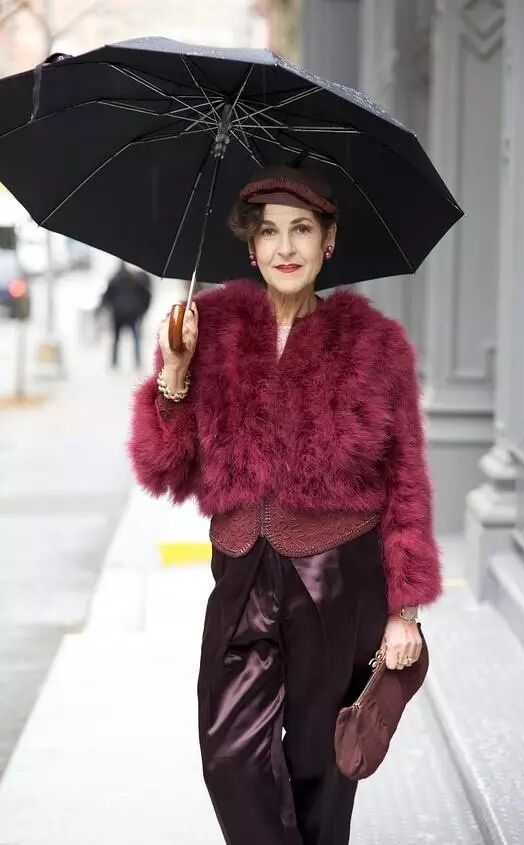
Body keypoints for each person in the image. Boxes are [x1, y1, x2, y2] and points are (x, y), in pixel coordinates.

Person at [127, 163, 443, 845]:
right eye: (269, 231)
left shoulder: (374, 344)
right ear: (250, 247)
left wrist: (405, 610)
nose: (286, 246)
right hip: (240, 571)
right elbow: (165, 470)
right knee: (230, 757)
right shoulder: (210, 329)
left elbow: (407, 479)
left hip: (338, 579)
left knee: (319, 770)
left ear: (329, 241)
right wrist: (175, 375)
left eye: (302, 229)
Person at [98, 260, 152, 368]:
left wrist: (109, 308)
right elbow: (147, 296)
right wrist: (142, 311)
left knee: (117, 340)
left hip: (120, 314)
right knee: (134, 339)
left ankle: (115, 362)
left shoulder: (115, 279)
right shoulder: (136, 280)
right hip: (131, 314)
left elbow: (106, 297)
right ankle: (136, 362)